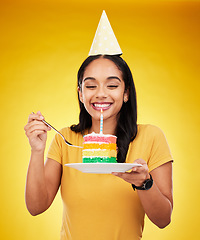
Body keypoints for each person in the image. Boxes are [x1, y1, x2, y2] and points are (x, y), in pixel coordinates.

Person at [24, 54, 173, 240]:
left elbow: (163, 219)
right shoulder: (65, 139)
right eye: (91, 86)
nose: (100, 93)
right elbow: (36, 207)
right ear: (80, 93)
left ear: (126, 92)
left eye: (112, 85)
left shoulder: (151, 137)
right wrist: (37, 150)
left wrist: (144, 183)